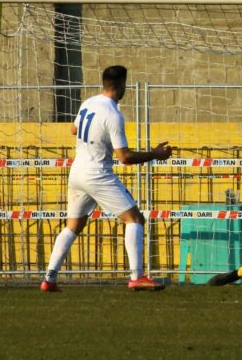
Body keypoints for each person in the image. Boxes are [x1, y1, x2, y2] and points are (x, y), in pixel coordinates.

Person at [41, 65, 172, 292]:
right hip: (97, 174)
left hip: (77, 172)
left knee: (73, 225)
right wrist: (155, 154)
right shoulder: (113, 114)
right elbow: (125, 157)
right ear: (122, 85)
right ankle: (137, 277)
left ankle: (49, 278)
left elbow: (74, 130)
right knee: (135, 219)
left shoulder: (88, 103)